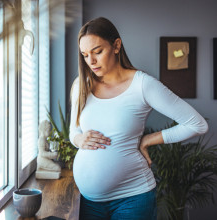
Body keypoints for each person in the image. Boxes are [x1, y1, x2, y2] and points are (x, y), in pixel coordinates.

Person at [69, 17, 208, 220]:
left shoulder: (142, 85)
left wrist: (148, 140)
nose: (91, 61)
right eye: (85, 55)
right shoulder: (81, 85)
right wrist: (78, 139)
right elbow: (74, 131)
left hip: (132, 199)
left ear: (116, 46)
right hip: (88, 202)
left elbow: (198, 124)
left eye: (98, 51)